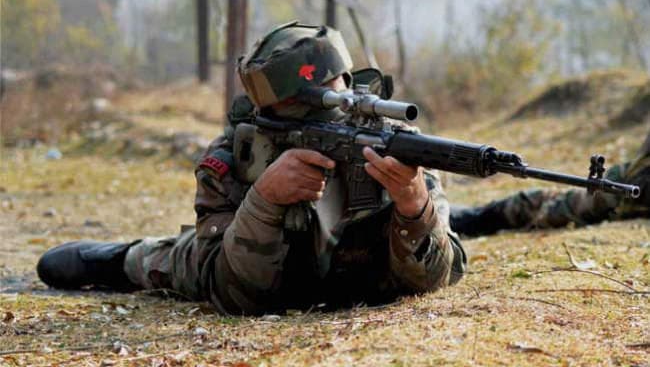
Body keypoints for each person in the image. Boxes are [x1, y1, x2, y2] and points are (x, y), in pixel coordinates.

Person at [36, 22, 467, 315]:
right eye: (304, 107)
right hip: (250, 265)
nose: (335, 111)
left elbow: (434, 279)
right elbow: (232, 294)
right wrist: (264, 201)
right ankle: (118, 259)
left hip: (361, 276)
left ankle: (481, 215)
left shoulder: (396, 145)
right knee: (172, 259)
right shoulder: (233, 155)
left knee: (442, 220)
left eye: (337, 93)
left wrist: (415, 206)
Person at [450, 133, 650, 236]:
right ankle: (476, 217)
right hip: (628, 185)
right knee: (549, 204)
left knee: (553, 205)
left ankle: (476, 218)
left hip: (629, 188)